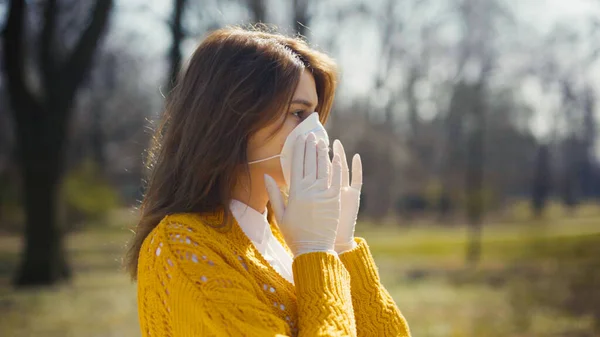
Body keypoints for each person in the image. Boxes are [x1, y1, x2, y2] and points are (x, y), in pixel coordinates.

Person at [125, 26, 411, 337]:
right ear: (233, 119)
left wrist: (340, 248)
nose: (316, 132)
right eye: (298, 113)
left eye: (316, 115)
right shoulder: (182, 248)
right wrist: (316, 254)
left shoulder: (283, 236)